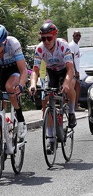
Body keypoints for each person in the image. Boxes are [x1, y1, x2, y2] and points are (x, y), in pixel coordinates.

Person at [29, 22, 77, 153]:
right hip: (52, 72)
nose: (46, 41)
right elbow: (35, 70)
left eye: (49, 38)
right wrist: (32, 84)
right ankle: (51, 140)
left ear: (55, 36)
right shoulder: (40, 48)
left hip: (65, 71)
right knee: (46, 102)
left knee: (69, 87)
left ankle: (71, 112)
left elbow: (70, 69)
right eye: (43, 38)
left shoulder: (63, 46)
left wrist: (66, 83)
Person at [69, 31, 85, 111]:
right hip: (73, 70)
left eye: (79, 35)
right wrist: (75, 71)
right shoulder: (72, 45)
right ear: (73, 36)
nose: (78, 37)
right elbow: (71, 59)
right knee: (74, 87)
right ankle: (74, 106)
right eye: (76, 35)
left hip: (76, 70)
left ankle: (75, 105)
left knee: (76, 87)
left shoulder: (76, 45)